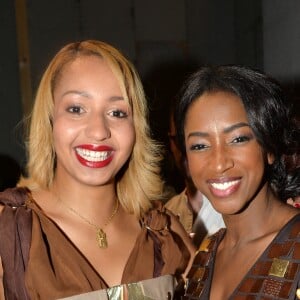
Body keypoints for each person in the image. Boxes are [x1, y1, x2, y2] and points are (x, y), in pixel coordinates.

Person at [0, 40, 195, 299]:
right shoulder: (9, 231)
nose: (99, 131)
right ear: (49, 120)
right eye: (76, 109)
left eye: (117, 112)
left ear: (137, 127)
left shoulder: (165, 232)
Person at [174, 65, 300, 299]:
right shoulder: (206, 253)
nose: (219, 163)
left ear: (270, 147)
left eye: (238, 139)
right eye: (200, 145)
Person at [165, 108, 224, 247]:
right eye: (179, 139)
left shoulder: (233, 205)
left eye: (198, 143)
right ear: (171, 143)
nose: (187, 150)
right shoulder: (169, 213)